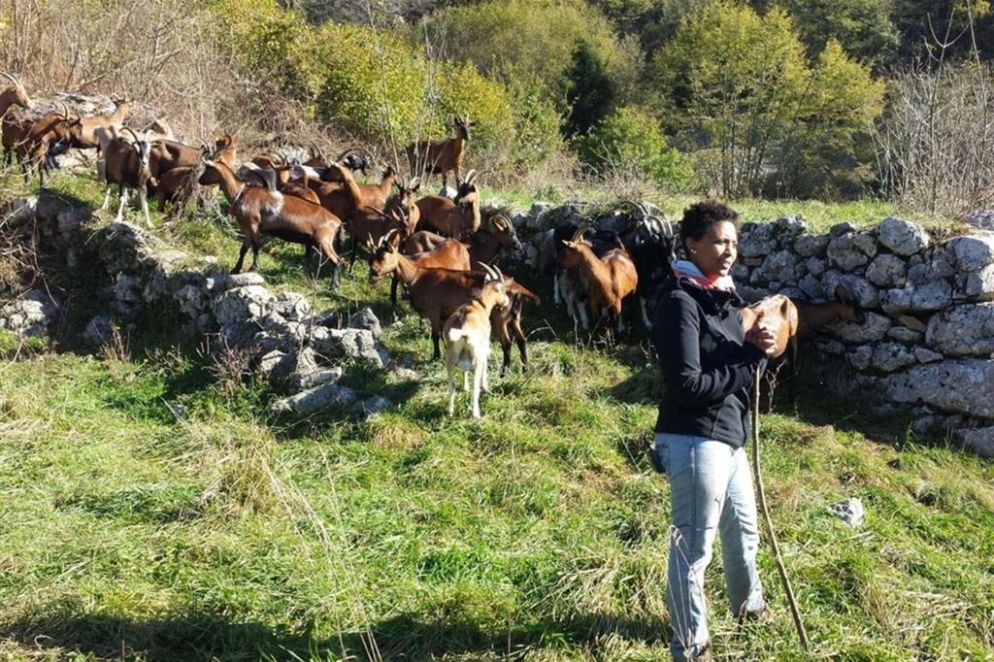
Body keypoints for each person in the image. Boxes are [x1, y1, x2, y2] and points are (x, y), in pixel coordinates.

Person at [651, 200, 777, 661]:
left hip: (728, 438)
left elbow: (730, 355)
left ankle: (749, 608)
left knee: (743, 533)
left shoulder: (721, 297)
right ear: (692, 244)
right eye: (719, 242)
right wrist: (750, 361)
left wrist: (758, 342)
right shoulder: (680, 302)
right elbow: (687, 386)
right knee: (693, 547)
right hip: (693, 438)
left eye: (734, 243)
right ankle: (691, 645)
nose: (729, 252)